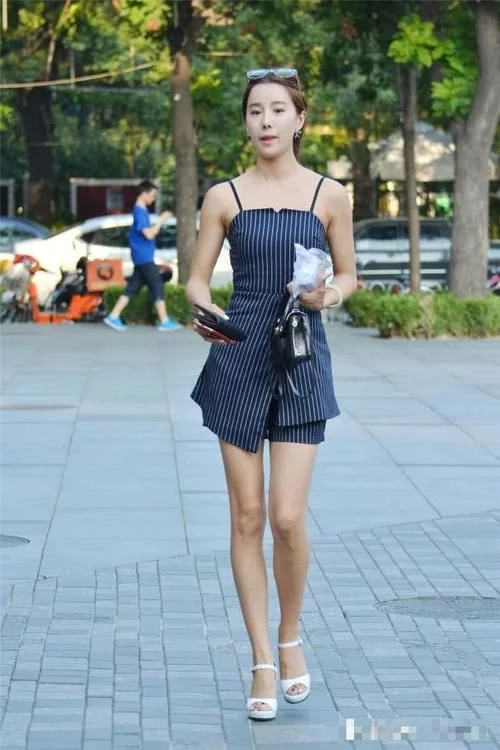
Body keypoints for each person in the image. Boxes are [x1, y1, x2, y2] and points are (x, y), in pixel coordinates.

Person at [186, 67, 357, 721]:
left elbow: (349, 274)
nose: (265, 120)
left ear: (299, 119)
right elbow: (197, 281)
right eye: (255, 110)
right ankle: (261, 657)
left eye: (277, 109)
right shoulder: (224, 196)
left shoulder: (329, 194)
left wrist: (328, 295)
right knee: (247, 517)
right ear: (246, 122)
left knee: (286, 517)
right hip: (238, 356)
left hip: (301, 357)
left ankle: (291, 637)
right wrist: (204, 312)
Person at [104, 179, 181, 331]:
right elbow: (149, 234)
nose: (154, 198)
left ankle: (113, 316)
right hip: (144, 257)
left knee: (132, 288)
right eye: (152, 195)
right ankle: (164, 321)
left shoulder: (141, 210)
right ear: (144, 194)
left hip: (142, 257)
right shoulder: (139, 212)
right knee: (157, 285)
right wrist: (161, 220)